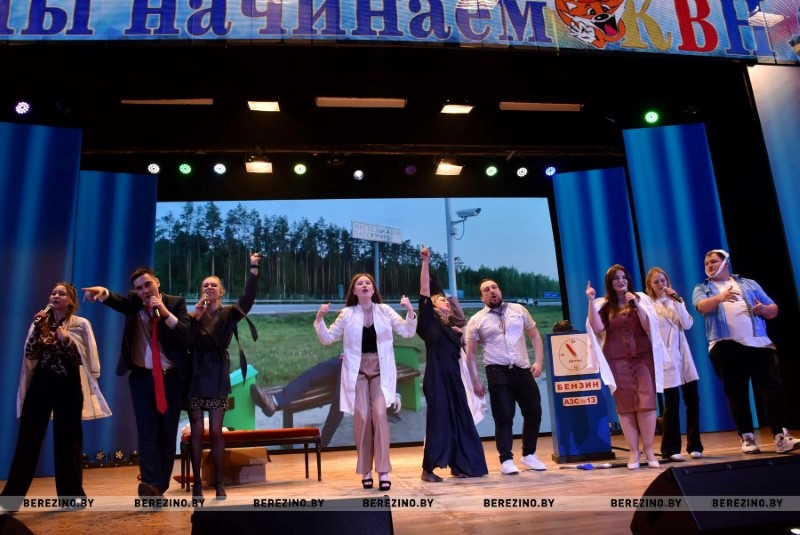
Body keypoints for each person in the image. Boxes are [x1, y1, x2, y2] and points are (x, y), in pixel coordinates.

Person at [0, 283, 111, 512]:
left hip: (68, 388)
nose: (56, 296)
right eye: (53, 293)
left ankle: (72, 498)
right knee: (27, 442)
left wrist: (65, 339)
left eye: (62, 293)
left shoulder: (80, 324)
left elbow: (84, 360)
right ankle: (10, 500)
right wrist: (38, 328)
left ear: (70, 301)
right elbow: (31, 353)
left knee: (68, 443)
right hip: (40, 386)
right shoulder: (40, 322)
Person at [82, 268, 191, 497]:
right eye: (139, 288)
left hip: (171, 379)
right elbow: (119, 302)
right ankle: (150, 483)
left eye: (147, 285)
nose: (144, 291)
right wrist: (104, 293)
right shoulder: (134, 302)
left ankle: (159, 485)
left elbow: (185, 335)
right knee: (147, 431)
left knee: (166, 432)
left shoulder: (175, 303)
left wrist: (164, 312)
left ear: (157, 282)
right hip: (142, 378)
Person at [314, 273, 416, 491]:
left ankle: (383, 471)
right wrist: (320, 319)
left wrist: (409, 311)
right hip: (357, 372)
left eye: (367, 283)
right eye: (359, 283)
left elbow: (407, 332)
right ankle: (366, 470)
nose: (364, 285)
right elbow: (328, 338)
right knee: (361, 417)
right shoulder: (347, 313)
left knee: (379, 415)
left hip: (380, 371)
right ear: (354, 291)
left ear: (373, 289)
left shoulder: (384, 310)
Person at [692, 249, 799, 454]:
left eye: (713, 261)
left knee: (772, 389)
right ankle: (747, 437)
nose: (709, 266)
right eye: (706, 263)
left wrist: (764, 310)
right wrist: (720, 297)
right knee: (737, 392)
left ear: (726, 263)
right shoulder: (703, 287)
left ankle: (781, 436)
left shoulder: (749, 284)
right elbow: (701, 306)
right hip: (725, 345)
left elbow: (773, 309)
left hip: (759, 344)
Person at [186, 253, 261, 499]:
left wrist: (253, 270)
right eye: (205, 285)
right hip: (195, 376)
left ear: (221, 291)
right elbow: (185, 341)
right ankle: (197, 484)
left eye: (213, 285)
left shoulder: (229, 314)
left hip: (218, 376)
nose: (209, 288)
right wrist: (196, 316)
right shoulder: (193, 316)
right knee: (197, 430)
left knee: (217, 431)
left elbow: (247, 300)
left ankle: (219, 483)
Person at [586, 264, 667, 470]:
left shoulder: (641, 299)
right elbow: (597, 327)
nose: (620, 281)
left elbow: (649, 326)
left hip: (643, 359)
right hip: (617, 360)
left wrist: (637, 305)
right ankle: (633, 452)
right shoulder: (605, 305)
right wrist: (590, 301)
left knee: (647, 403)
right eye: (616, 278)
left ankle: (649, 450)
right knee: (625, 405)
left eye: (623, 277)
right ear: (610, 283)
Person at [418, 246, 488, 482]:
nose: (446, 302)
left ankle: (462, 465)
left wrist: (455, 333)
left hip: (453, 378)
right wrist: (425, 262)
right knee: (439, 421)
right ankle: (428, 469)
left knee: (461, 417)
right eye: (441, 300)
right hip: (437, 377)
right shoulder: (428, 321)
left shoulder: (449, 327)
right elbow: (425, 291)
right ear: (432, 305)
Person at [465, 279, 547, 475]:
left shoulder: (519, 310)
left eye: (494, 287)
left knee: (534, 412)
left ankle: (529, 454)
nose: (492, 291)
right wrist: (475, 380)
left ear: (500, 290)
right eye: (486, 290)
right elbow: (471, 354)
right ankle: (506, 459)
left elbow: (535, 335)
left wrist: (538, 362)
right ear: (482, 297)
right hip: (497, 372)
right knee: (504, 417)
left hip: (523, 369)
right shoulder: (476, 320)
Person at [645, 267, 703, 461]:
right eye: (656, 282)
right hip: (666, 358)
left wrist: (677, 302)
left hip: (683, 356)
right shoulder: (649, 306)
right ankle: (670, 449)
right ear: (650, 285)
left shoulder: (676, 301)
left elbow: (687, 324)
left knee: (693, 400)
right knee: (672, 402)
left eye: (663, 281)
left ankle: (695, 445)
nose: (661, 285)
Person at [250, 354, 344, 448]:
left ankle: (322, 445)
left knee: (340, 401)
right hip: (343, 359)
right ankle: (274, 402)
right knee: (312, 374)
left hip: (352, 368)